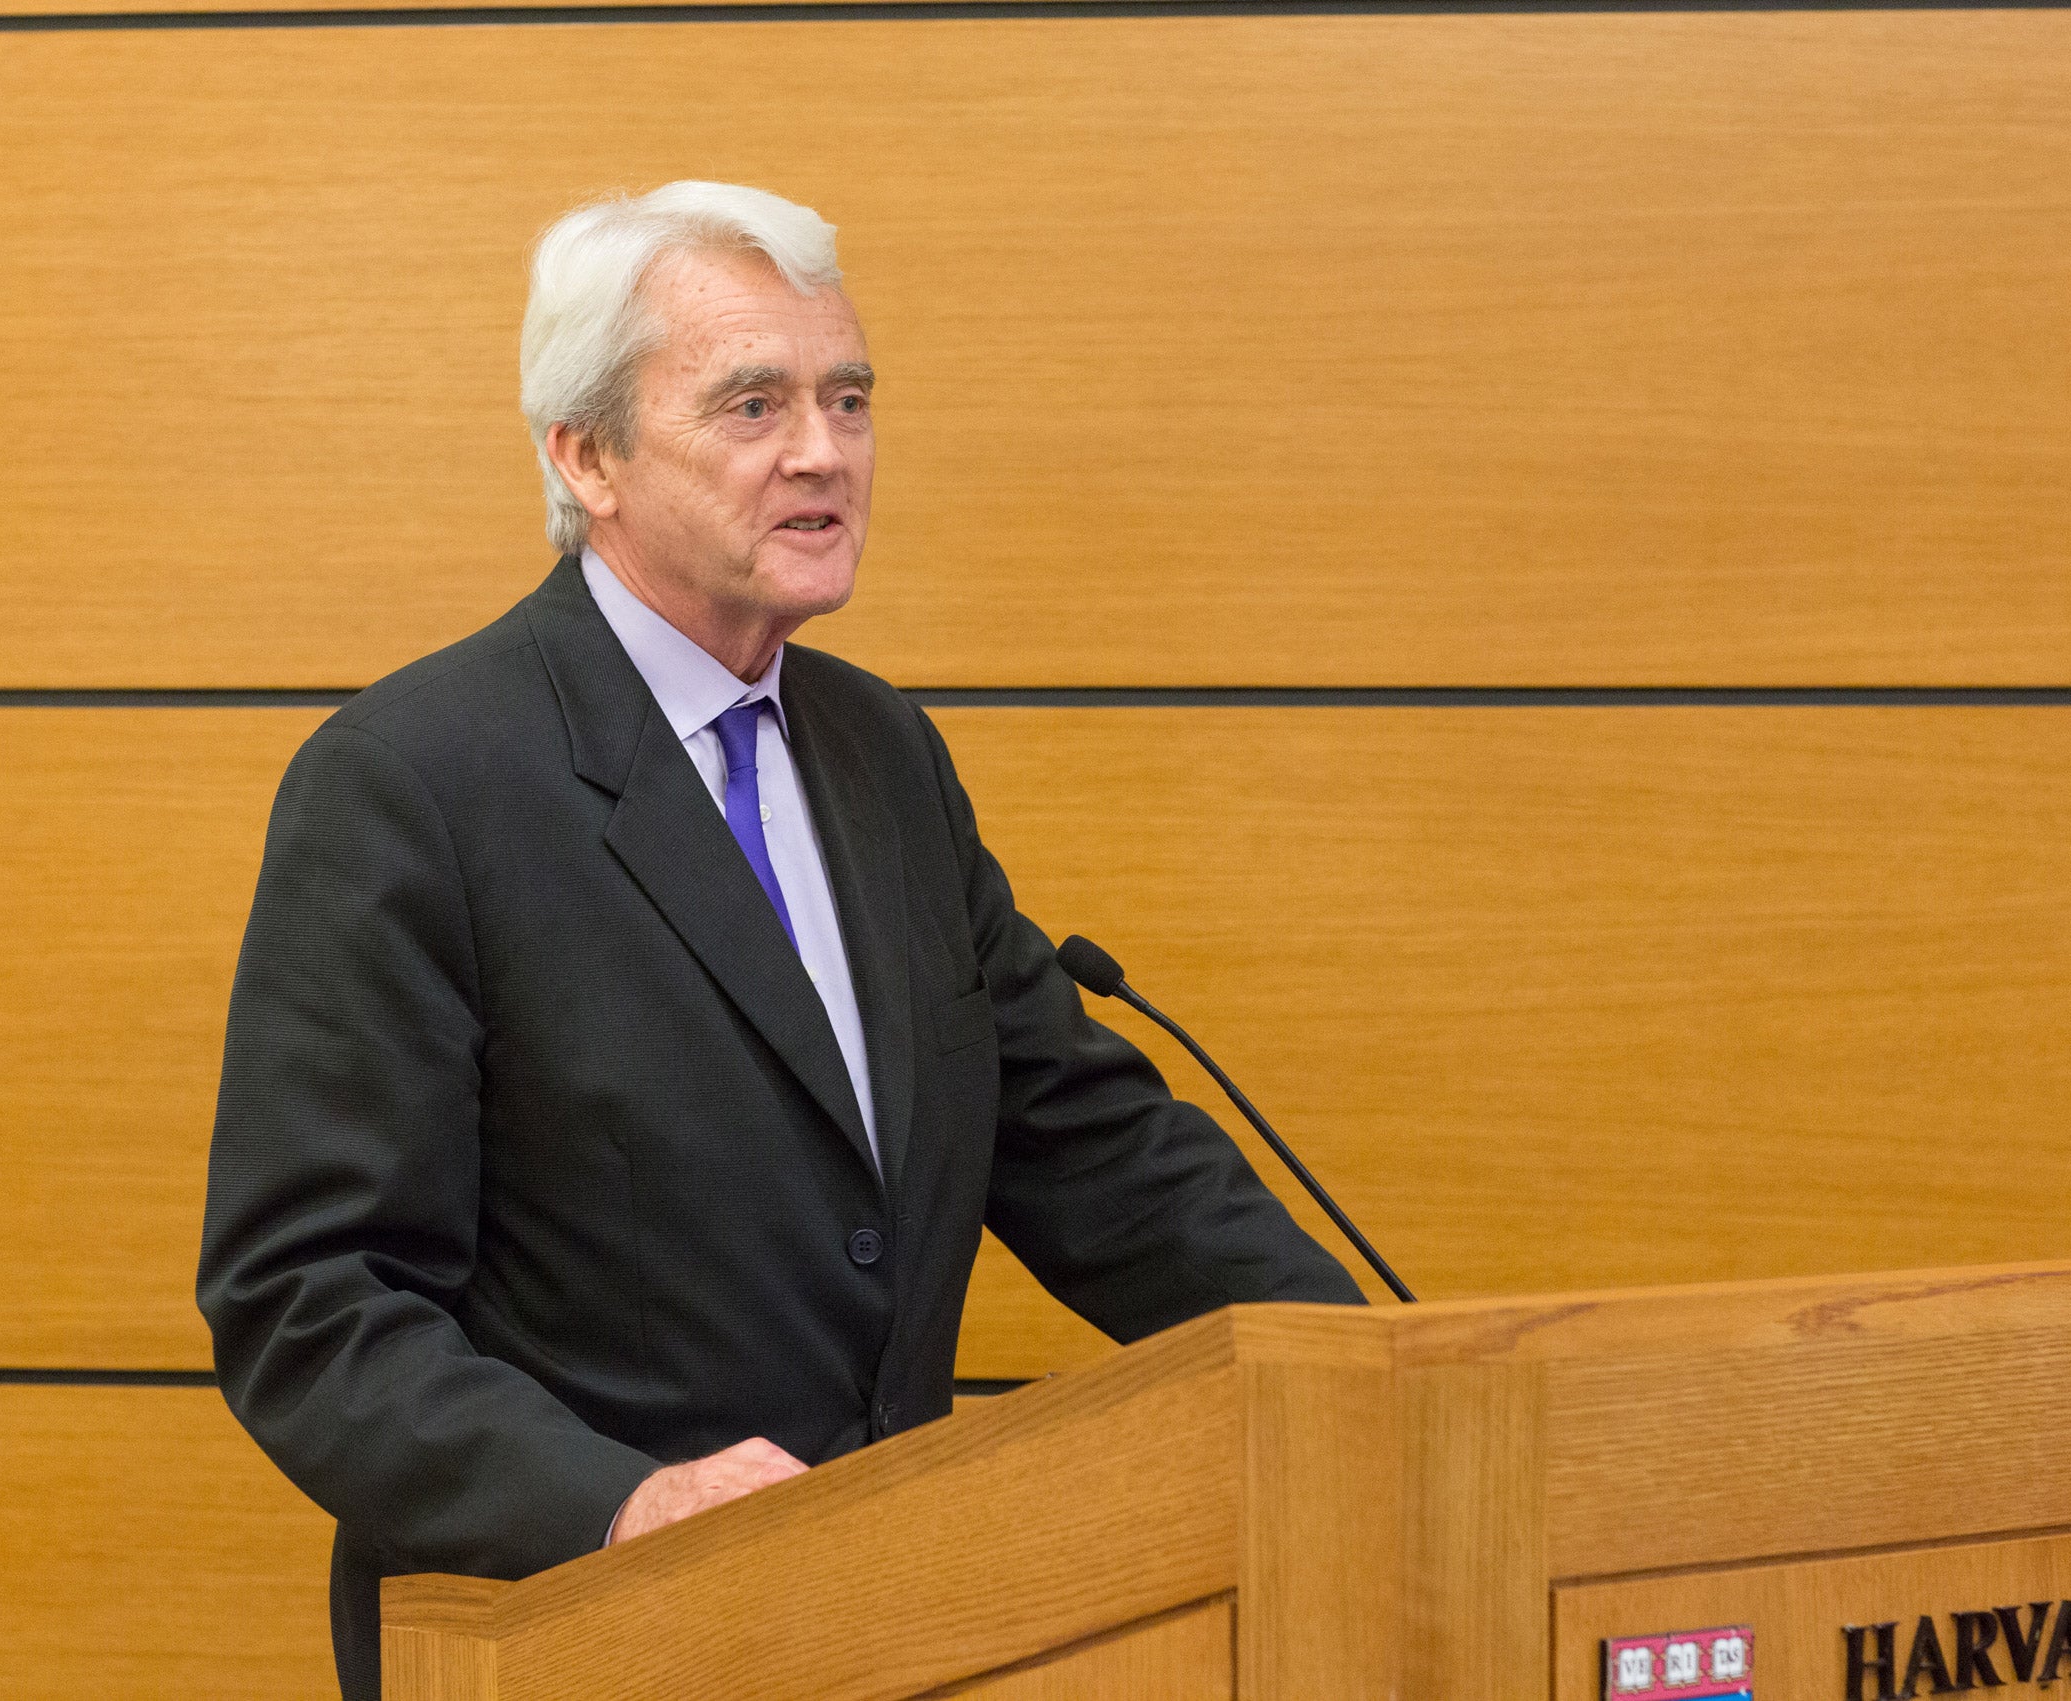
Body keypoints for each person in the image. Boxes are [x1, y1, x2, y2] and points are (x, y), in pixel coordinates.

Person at [196, 180, 1364, 1699]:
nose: (822, 453)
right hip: (585, 1639)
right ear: (585, 454)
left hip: (898, 1627)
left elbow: (1089, 1148)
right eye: (752, 404)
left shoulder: (878, 752)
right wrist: (619, 1500)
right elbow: (309, 1302)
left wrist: (1359, 1381)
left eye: (848, 398)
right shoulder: (416, 780)